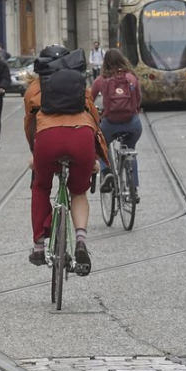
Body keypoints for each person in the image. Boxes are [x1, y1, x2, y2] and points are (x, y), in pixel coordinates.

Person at [23, 45, 109, 274]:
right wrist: (95, 155)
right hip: (81, 137)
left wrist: (35, 152)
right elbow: (94, 119)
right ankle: (81, 239)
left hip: (47, 139)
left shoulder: (34, 89)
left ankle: (39, 247)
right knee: (78, 191)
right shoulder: (81, 86)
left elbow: (30, 125)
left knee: (41, 186)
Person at [90, 49, 143, 202]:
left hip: (110, 123)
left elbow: (89, 101)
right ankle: (133, 189)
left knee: (101, 146)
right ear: (122, 59)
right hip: (132, 124)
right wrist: (135, 108)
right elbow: (139, 100)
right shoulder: (132, 78)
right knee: (130, 148)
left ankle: (107, 174)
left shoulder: (101, 80)